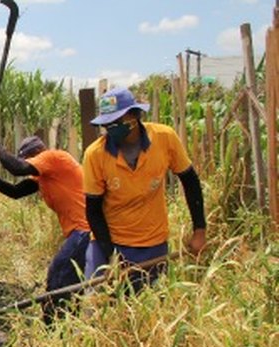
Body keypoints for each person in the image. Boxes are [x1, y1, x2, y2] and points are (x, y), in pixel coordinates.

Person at [82, 87, 207, 289]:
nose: (112, 128)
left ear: (135, 116)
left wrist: (199, 231)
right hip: (109, 241)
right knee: (96, 303)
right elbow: (93, 210)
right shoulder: (95, 154)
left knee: (151, 302)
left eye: (118, 122)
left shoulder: (164, 138)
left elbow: (190, 181)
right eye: (108, 124)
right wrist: (111, 256)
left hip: (152, 243)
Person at [0, 127, 91, 323]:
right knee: (64, 279)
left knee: (60, 274)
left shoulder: (53, 158)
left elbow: (17, 168)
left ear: (36, 155)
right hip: (79, 232)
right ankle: (62, 325)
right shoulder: (44, 176)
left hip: (85, 231)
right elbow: (16, 192)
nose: (30, 166)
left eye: (30, 160)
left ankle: (55, 329)